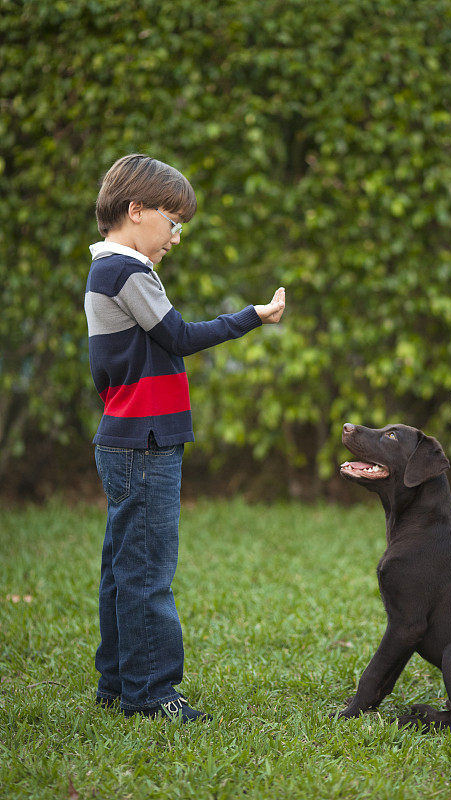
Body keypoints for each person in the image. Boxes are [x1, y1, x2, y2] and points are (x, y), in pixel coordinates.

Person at [85, 154, 285, 722]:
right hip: (146, 441)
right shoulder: (127, 271)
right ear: (137, 210)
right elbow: (177, 335)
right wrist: (252, 315)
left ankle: (118, 684)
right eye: (173, 221)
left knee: (123, 565)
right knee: (147, 570)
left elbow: (108, 367)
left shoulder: (106, 271)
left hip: (125, 436)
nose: (176, 236)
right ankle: (151, 695)